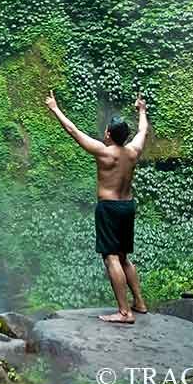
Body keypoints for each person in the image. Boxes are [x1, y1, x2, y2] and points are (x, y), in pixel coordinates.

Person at [45, 90, 150, 324]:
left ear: (109, 134)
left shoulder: (103, 152)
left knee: (111, 257)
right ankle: (140, 303)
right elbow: (143, 131)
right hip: (127, 206)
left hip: (109, 208)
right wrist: (141, 110)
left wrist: (55, 108)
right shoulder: (133, 151)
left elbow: (73, 131)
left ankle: (125, 312)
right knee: (124, 257)